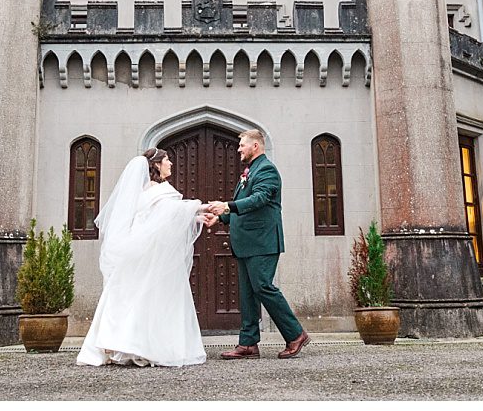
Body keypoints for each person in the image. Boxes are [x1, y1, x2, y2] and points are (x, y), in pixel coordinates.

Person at [76, 148, 213, 367]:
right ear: (156, 164)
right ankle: (143, 346)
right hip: (150, 255)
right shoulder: (154, 189)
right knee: (147, 296)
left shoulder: (147, 190)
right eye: (167, 160)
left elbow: (165, 217)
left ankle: (132, 345)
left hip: (146, 252)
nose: (171, 163)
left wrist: (197, 217)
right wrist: (202, 206)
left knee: (139, 297)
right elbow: (171, 212)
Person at [206, 129, 310, 359]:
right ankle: (248, 343)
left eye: (242, 144)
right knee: (248, 293)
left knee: (263, 286)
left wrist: (227, 206)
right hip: (247, 243)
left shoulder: (267, 170)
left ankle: (295, 334)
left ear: (256, 146)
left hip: (262, 241)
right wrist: (221, 217)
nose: (238, 148)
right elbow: (245, 204)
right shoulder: (250, 170)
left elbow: (260, 199)